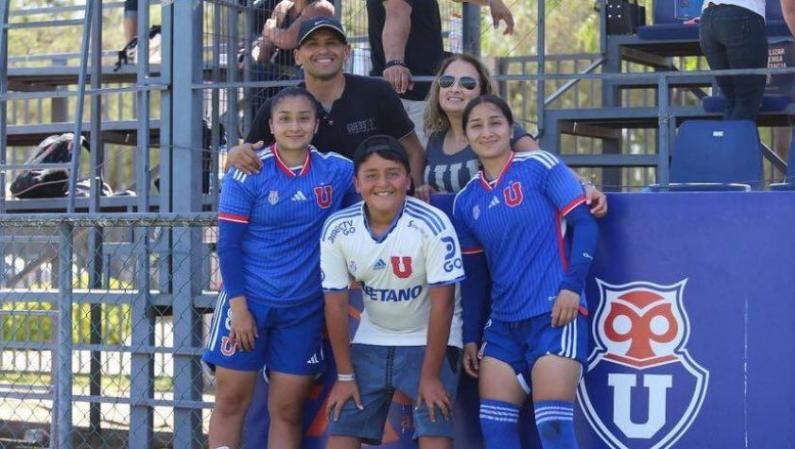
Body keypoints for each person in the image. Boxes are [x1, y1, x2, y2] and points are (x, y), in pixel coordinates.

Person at [203, 87, 356, 449]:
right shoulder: (249, 171)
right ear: (270, 126)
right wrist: (239, 308)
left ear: (316, 124)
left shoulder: (337, 170)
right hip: (248, 302)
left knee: (287, 410)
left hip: (302, 308)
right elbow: (228, 244)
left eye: (304, 118)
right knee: (230, 401)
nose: (294, 126)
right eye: (284, 118)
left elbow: (365, 211)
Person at [452, 95, 598, 449]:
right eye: (477, 125)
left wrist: (571, 287)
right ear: (466, 135)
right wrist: (471, 335)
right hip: (502, 326)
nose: (487, 132)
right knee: (496, 431)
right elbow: (474, 278)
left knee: (553, 430)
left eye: (495, 123)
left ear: (510, 127)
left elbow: (585, 225)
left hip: (555, 315)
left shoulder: (540, 166)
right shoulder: (465, 200)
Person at [321, 135, 465, 449]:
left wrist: (429, 376)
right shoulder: (337, 228)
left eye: (393, 173)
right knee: (341, 430)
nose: (382, 183)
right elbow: (334, 305)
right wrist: (345, 376)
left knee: (434, 429)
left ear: (409, 179)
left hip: (430, 338)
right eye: (371, 176)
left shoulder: (433, 224)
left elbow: (444, 304)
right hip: (374, 335)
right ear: (357, 184)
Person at [227, 17, 430, 195]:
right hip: (307, 217)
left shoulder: (378, 93)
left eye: (331, 43)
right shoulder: (279, 106)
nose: (323, 50)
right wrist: (236, 155)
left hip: (373, 209)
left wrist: (415, 192)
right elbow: (245, 158)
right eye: (312, 44)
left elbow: (413, 151)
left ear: (347, 51)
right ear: (297, 56)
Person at [423, 53, 608, 212]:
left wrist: (585, 186)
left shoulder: (500, 133)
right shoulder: (433, 140)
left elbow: (547, 165)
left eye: (467, 83)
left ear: (483, 92)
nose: (455, 88)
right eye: (447, 81)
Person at [368, 0, 515, 143]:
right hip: (407, 98)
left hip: (422, 96)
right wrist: (395, 62)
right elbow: (397, 10)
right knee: (412, 161)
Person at [699, 0, 768, 121]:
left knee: (732, 101)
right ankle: (735, 139)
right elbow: (790, 9)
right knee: (747, 101)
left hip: (708, 17)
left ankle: (726, 139)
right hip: (743, 12)